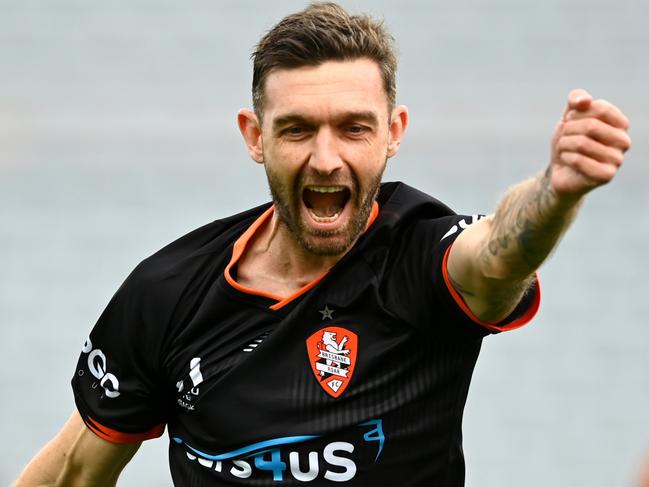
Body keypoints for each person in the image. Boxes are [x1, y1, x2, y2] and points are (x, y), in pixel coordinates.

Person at [14, 2, 631, 486]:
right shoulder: (168, 294)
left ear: (394, 133)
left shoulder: (417, 260)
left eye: (353, 128)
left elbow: (498, 255)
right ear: (255, 136)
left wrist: (556, 191)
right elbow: (74, 472)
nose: (326, 158)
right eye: (298, 129)